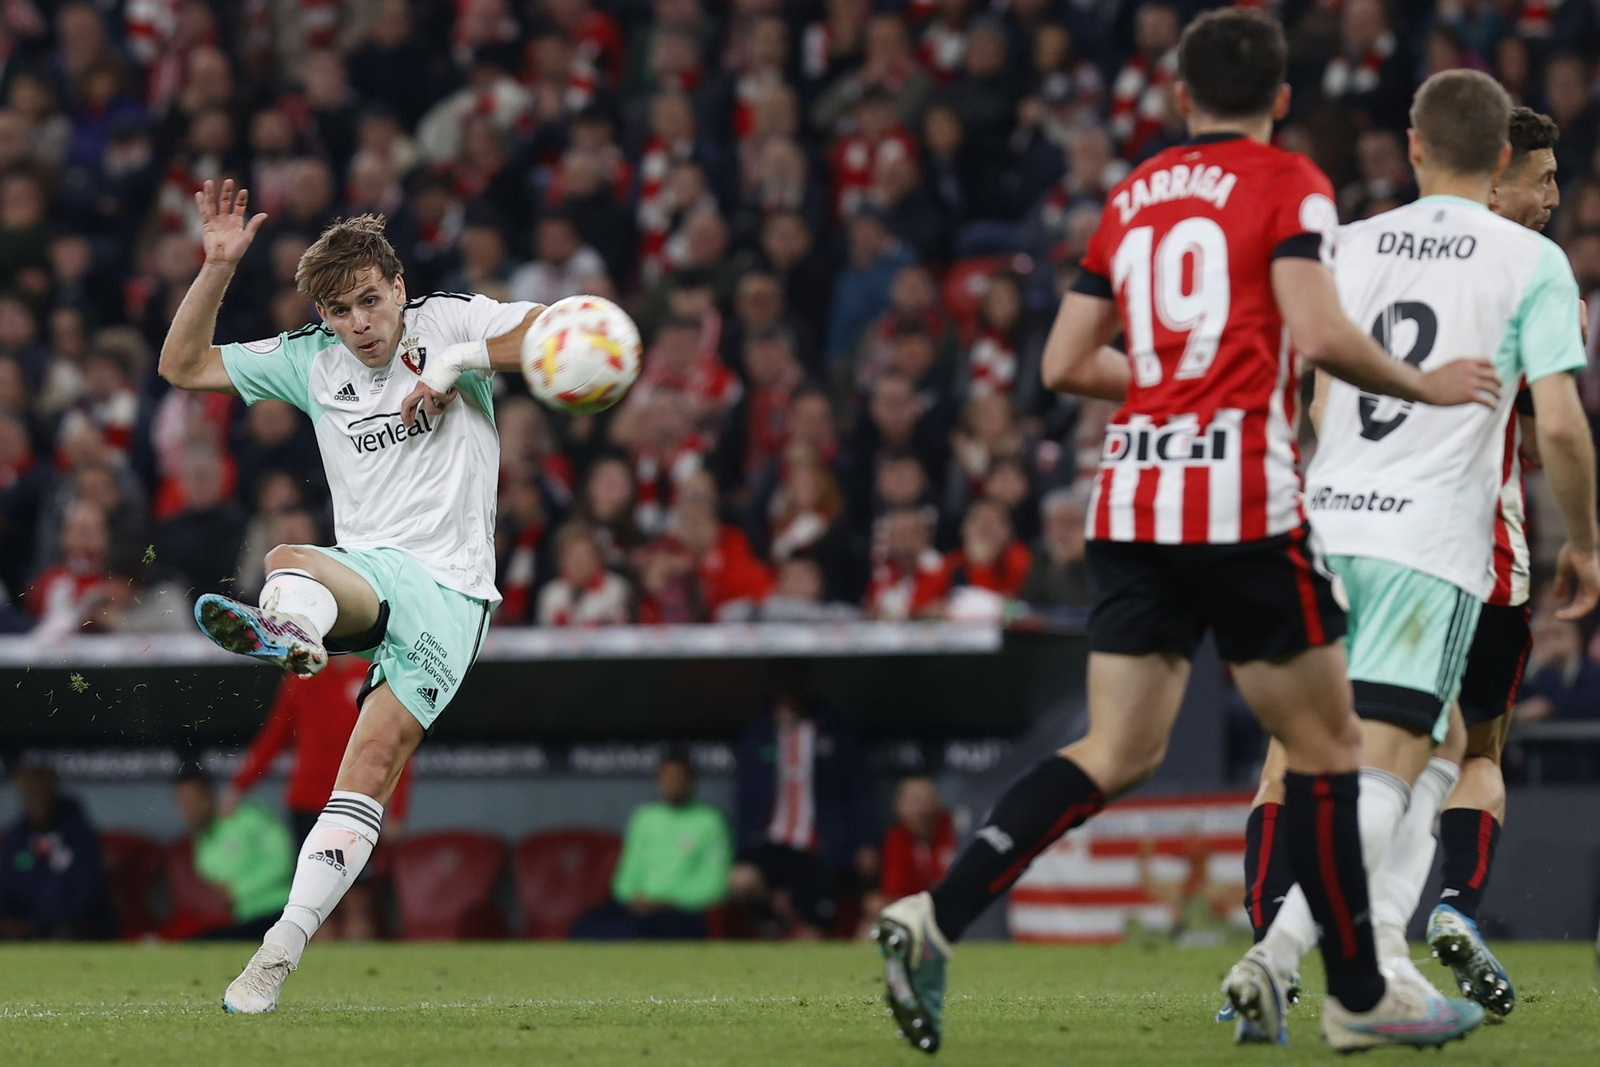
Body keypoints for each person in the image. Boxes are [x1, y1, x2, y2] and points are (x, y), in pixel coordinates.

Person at [873, 10, 1496, 1055]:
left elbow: (1066, 363)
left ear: (1176, 98)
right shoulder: (1287, 181)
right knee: (1329, 746)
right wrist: (1421, 383)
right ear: (1281, 99)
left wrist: (1168, 383)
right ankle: (1355, 992)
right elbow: (1315, 329)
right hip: (1240, 505)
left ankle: (934, 912)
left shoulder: (1131, 195)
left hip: (1132, 497)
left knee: (1114, 749)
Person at [1240, 70, 1599, 1037]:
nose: (1555, 195)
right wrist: (1591, 546)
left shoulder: (1344, 245)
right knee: (1425, 760)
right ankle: (1317, 960)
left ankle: (1313, 949)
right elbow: (1560, 429)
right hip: (1434, 542)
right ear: (1496, 166)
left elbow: (1309, 390)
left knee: (1306, 752)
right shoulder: (1529, 260)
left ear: (1409, 146)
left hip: (1320, 524)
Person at [156, 180, 543, 1012]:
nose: (360, 324)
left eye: (371, 301)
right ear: (324, 315)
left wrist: (454, 364)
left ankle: (275, 952)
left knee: (367, 767)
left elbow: (549, 331)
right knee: (290, 552)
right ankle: (295, 632)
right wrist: (218, 265)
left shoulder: (446, 319)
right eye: (342, 311)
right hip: (370, 574)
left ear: (398, 287)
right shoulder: (311, 360)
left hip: (455, 595)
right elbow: (182, 365)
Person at [224, 656, 412, 941]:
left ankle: (363, 980)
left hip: (356, 804)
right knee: (313, 907)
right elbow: (274, 737)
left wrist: (397, 809)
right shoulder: (301, 677)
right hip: (307, 804)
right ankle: (321, 983)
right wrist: (239, 784)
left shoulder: (375, 674)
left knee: (357, 904)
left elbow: (398, 744)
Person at [732, 686, 878, 939]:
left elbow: (858, 792)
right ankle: (773, 921)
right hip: (772, 844)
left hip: (817, 847)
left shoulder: (834, 735)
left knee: (813, 933)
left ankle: (799, 929)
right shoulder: (759, 736)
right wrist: (743, 847)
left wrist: (865, 841)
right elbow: (746, 799)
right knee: (741, 880)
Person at [574, 752, 732, 939]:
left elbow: (715, 884)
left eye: (677, 777)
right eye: (665, 777)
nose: (670, 783)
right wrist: (634, 898)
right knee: (584, 927)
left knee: (644, 931)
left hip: (682, 910)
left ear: (691, 781)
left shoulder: (710, 821)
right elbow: (627, 874)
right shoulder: (644, 818)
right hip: (639, 907)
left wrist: (669, 900)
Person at [174, 765, 294, 941]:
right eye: (183, 802)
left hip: (281, 910)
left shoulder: (246, 817)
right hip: (245, 919)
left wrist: (236, 891)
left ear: (210, 797)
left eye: (194, 800)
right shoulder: (201, 844)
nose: (190, 809)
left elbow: (285, 860)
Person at [0, 762, 114, 940]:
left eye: (43, 792)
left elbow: (89, 892)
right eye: (31, 793)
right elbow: (5, 889)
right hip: (25, 923)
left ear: (54, 791)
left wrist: (43, 924)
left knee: (70, 932)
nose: (38, 799)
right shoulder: (14, 840)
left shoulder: (80, 836)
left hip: (72, 922)